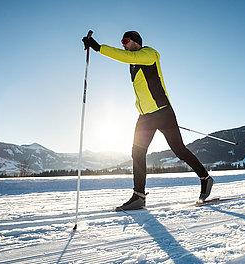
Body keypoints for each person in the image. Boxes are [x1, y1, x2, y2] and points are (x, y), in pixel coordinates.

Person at [82, 31, 213, 210]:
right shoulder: (133, 65)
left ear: (136, 42)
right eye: (122, 42)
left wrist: (97, 47)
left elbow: (123, 56)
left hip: (163, 112)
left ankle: (205, 178)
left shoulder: (148, 54)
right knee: (137, 153)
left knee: (179, 150)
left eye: (125, 41)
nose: (123, 44)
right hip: (145, 116)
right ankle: (139, 196)